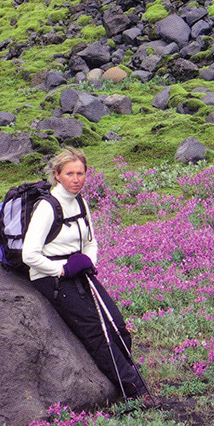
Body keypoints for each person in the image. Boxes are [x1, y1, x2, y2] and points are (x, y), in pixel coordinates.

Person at [22, 148, 150, 405]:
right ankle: (135, 392)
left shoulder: (80, 201)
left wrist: (87, 261)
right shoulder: (48, 207)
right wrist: (61, 270)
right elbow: (29, 255)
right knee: (96, 331)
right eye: (69, 173)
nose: (76, 179)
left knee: (116, 323)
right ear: (57, 175)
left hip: (78, 270)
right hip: (51, 277)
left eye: (80, 173)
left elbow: (91, 242)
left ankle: (131, 377)